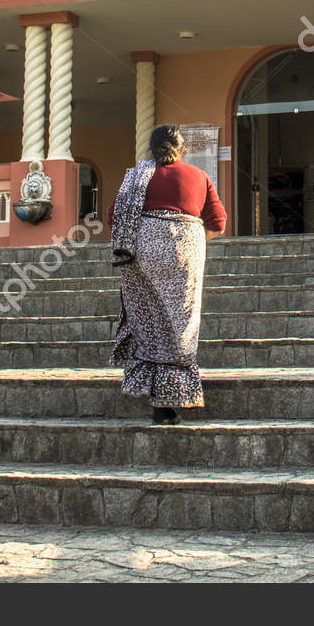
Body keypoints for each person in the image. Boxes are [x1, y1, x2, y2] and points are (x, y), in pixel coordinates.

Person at [109, 125, 226, 424]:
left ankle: (158, 403)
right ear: (182, 148)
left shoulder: (136, 177)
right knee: (180, 323)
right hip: (184, 253)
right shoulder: (198, 176)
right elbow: (218, 222)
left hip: (141, 254)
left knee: (148, 321)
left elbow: (114, 217)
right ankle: (174, 394)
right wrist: (193, 242)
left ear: (150, 149)